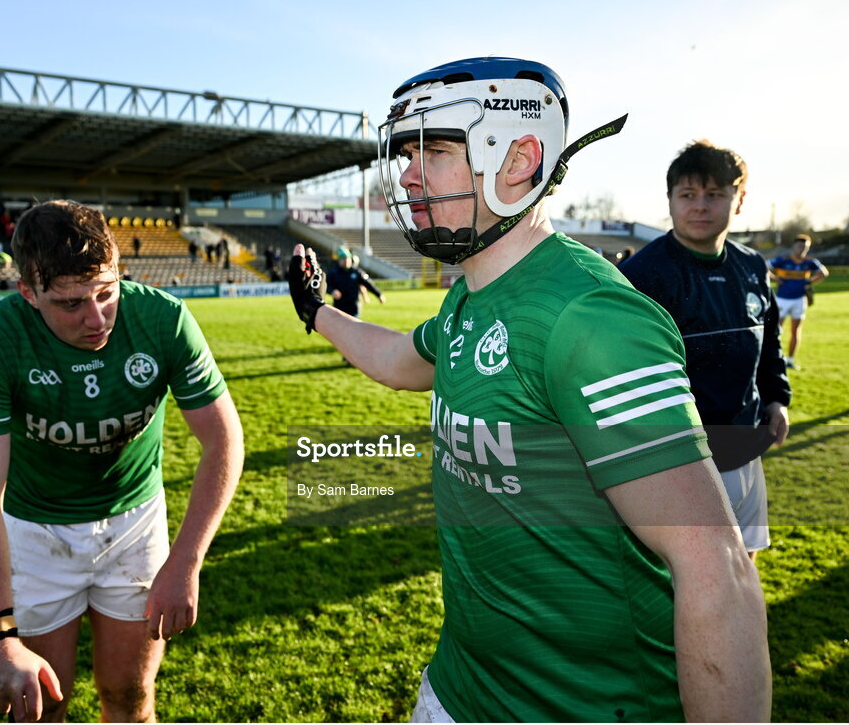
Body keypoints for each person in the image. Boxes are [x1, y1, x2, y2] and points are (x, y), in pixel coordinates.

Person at [288, 57, 769, 722]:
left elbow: (718, 570)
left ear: (517, 159)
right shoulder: (470, 299)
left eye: (433, 150)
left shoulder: (588, 316)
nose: (406, 173)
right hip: (458, 686)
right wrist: (318, 312)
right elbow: (400, 357)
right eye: (402, 154)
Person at [0, 200, 243, 722]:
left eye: (107, 293)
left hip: (135, 522)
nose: (96, 317)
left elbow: (224, 442)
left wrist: (185, 561)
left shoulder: (163, 318)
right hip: (35, 529)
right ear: (28, 292)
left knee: (130, 697)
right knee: (40, 708)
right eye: (70, 303)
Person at [620, 139, 791, 561]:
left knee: (745, 564)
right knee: (691, 576)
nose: (700, 206)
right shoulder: (641, 275)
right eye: (688, 195)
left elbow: (768, 340)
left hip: (745, 444)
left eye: (714, 195)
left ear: (739, 199)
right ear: (670, 200)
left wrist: (777, 398)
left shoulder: (751, 266)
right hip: (677, 457)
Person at [768, 234, 829, 369]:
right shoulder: (783, 260)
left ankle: (789, 360)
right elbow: (763, 266)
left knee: (796, 331)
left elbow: (824, 272)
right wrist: (774, 278)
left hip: (799, 300)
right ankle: (773, 359)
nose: (801, 249)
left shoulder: (809, 262)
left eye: (805, 247)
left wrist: (810, 282)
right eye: (799, 246)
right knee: (776, 331)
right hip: (782, 300)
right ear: (794, 246)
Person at [326, 246, 386, 318]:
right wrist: (332, 291)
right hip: (339, 307)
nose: (346, 261)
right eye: (343, 259)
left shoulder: (357, 272)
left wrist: (379, 294)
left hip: (353, 307)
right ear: (339, 260)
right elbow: (327, 286)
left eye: (347, 258)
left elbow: (368, 284)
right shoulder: (333, 273)